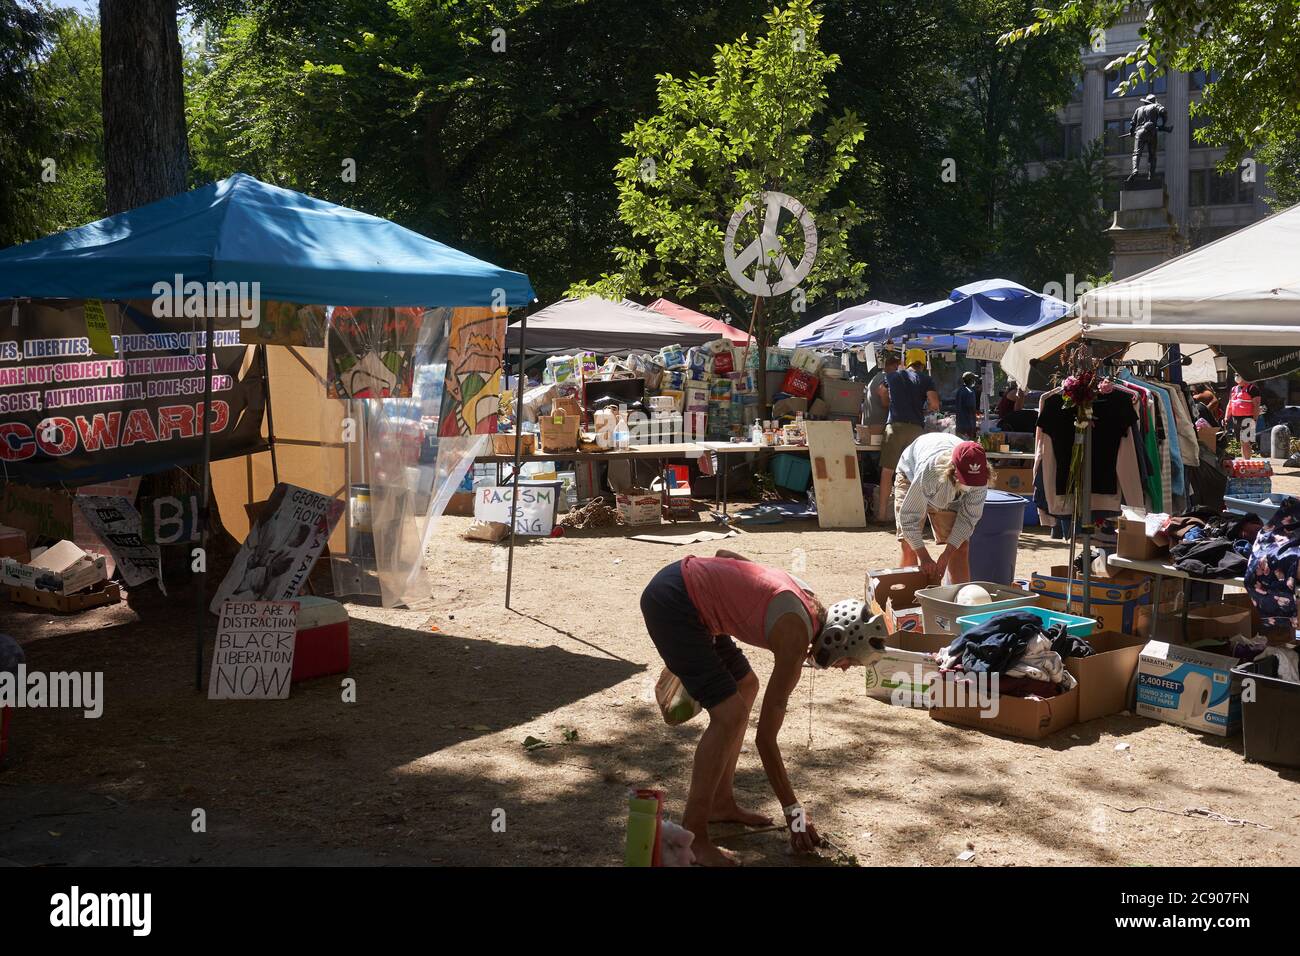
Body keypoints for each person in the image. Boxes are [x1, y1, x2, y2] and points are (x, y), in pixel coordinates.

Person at [640, 550, 887, 866]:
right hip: (674, 603)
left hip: (687, 594)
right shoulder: (796, 636)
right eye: (849, 662)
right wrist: (794, 814)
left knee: (746, 686)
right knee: (730, 715)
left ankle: (720, 802)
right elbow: (765, 740)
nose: (842, 669)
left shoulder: (808, 603)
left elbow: (724, 555)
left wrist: (723, 599)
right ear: (836, 639)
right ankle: (695, 836)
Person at [894, 433, 990, 585]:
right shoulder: (931, 471)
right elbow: (909, 519)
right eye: (966, 479)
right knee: (908, 544)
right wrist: (924, 557)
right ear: (953, 469)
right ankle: (904, 601)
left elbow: (968, 519)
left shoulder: (981, 477)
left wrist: (947, 554)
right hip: (911, 474)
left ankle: (962, 601)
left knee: (961, 546)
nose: (970, 485)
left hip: (948, 488)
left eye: (974, 481)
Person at [877, 348, 939, 523]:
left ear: (907, 361)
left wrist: (888, 403)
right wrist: (924, 408)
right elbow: (934, 404)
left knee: (887, 471)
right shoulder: (926, 379)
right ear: (922, 363)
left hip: (894, 426)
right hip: (916, 430)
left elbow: (881, 392)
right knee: (914, 473)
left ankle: (882, 515)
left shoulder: (894, 376)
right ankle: (913, 518)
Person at [1226, 373, 1261, 458]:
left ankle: (1247, 461)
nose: (1237, 377)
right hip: (1236, 418)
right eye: (1235, 375)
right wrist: (1226, 417)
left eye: (1239, 374)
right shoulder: (1234, 389)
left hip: (1248, 418)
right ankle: (1244, 460)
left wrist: (1255, 419)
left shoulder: (1252, 388)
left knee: (1246, 441)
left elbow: (1256, 405)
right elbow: (1230, 404)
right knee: (1241, 441)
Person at [955, 371, 980, 439]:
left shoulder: (959, 390)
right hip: (968, 425)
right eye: (974, 379)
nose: (974, 381)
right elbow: (971, 407)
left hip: (959, 424)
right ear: (971, 380)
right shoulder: (970, 392)